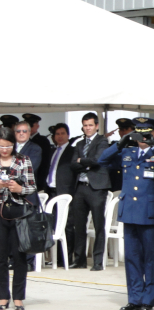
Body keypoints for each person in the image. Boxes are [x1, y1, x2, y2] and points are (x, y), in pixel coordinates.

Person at [99, 118, 154, 310]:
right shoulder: (128, 152)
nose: (142, 138)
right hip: (130, 211)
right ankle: (134, 298)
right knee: (132, 257)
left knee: (150, 258)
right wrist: (119, 144)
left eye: (147, 134)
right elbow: (102, 160)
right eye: (139, 134)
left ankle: (148, 300)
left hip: (150, 212)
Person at [0, 126, 36, 310]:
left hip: (19, 211)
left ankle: (19, 297)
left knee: (19, 255)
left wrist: (19, 189)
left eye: (8, 146)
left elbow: (32, 186)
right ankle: (2, 296)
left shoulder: (23, 160)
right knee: (1, 256)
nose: (5, 150)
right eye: (1, 146)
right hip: (0, 212)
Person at [70, 112, 112, 270]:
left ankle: (97, 261)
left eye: (90, 125)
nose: (87, 128)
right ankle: (79, 259)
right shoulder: (80, 144)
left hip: (97, 187)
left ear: (96, 126)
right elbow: (73, 164)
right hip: (81, 186)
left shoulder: (102, 141)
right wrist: (84, 163)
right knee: (79, 225)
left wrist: (83, 161)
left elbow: (97, 160)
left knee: (98, 224)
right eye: (85, 125)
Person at [47, 123, 77, 266]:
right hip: (51, 190)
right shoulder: (52, 150)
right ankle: (54, 258)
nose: (60, 136)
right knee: (52, 224)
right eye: (57, 134)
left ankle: (65, 258)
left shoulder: (72, 151)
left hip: (65, 191)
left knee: (66, 225)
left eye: (62, 133)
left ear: (68, 135)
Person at [23, 113, 53, 193]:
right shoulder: (23, 141)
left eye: (31, 125)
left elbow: (45, 163)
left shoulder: (42, 141)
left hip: (37, 180)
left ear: (37, 126)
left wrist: (40, 183)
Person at [107, 118, 136, 192]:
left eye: (126, 129)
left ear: (133, 130)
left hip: (131, 180)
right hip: (115, 181)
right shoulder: (114, 145)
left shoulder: (137, 145)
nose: (123, 132)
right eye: (121, 129)